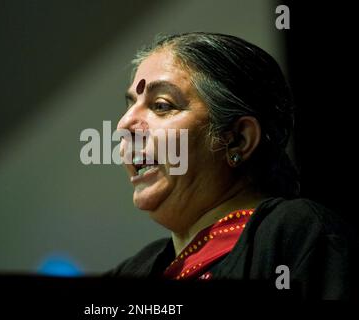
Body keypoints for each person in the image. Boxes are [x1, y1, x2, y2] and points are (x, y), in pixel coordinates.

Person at [106, 32, 357, 299]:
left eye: (161, 105)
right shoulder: (135, 270)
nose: (124, 125)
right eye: (131, 105)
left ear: (238, 139)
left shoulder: (295, 234)